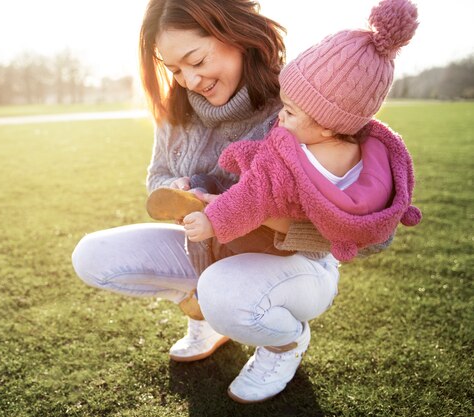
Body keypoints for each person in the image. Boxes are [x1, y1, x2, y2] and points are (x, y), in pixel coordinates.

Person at [72, 0, 389, 403]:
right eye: (174, 70)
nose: (188, 80)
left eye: (196, 59)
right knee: (92, 256)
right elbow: (157, 180)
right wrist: (185, 188)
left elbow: (369, 236)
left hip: (296, 267)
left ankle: (284, 342)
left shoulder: (299, 105)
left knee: (226, 291)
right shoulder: (177, 109)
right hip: (207, 251)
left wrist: (257, 214)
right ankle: (203, 307)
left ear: (235, 34)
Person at [181, 0, 422, 262]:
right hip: (304, 242)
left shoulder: (295, 164)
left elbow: (255, 194)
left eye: (290, 111)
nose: (280, 115)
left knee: (215, 199)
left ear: (329, 127)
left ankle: (199, 275)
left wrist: (212, 222)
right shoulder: (374, 152)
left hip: (268, 246)